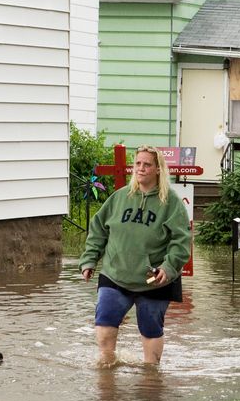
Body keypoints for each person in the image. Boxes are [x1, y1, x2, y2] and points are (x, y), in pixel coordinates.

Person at [80, 146, 192, 366]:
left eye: (147, 164)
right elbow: (98, 230)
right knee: (104, 322)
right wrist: (89, 260)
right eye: (137, 163)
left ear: (158, 169)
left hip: (155, 280)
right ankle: (107, 375)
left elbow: (181, 242)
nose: (140, 168)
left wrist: (168, 268)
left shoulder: (171, 203)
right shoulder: (119, 198)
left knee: (150, 329)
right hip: (116, 274)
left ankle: (150, 380)